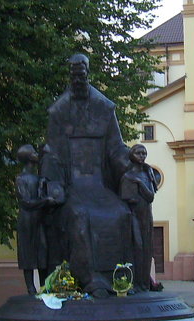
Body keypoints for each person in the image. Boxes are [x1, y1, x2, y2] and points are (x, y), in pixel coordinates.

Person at [41, 53, 132, 296]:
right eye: (74, 75)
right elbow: (51, 152)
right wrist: (54, 185)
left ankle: (120, 277)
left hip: (100, 185)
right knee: (79, 215)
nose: (78, 79)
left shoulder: (104, 108)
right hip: (73, 186)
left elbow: (117, 149)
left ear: (88, 74)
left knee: (121, 213)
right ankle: (90, 277)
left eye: (82, 74)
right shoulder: (59, 112)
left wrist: (133, 169)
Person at [120, 143, 160, 293]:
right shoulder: (127, 176)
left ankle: (144, 283)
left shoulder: (146, 175)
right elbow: (125, 198)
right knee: (135, 247)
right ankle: (133, 282)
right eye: (138, 153)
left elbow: (150, 196)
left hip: (146, 215)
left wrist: (140, 183)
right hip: (133, 216)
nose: (142, 156)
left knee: (146, 249)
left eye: (144, 153)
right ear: (132, 155)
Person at [15, 144, 50, 294]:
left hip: (39, 219)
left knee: (42, 252)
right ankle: (30, 288)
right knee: (27, 254)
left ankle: (44, 287)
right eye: (34, 152)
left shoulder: (39, 178)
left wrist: (42, 189)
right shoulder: (21, 179)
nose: (37, 154)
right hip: (27, 220)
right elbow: (26, 202)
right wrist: (45, 200)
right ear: (29, 157)